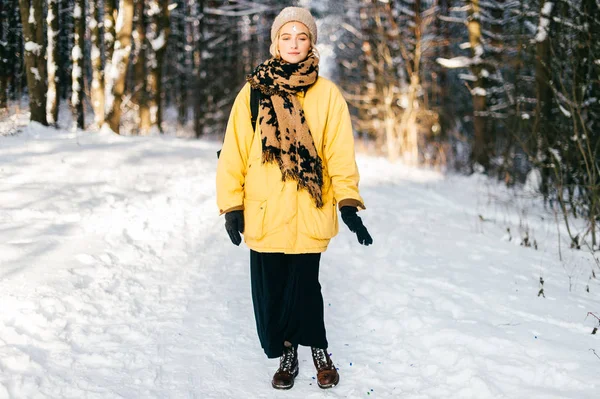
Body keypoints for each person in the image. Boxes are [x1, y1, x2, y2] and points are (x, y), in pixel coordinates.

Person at [216, 6, 373, 390]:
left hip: (309, 206)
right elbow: (234, 150)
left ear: (311, 43)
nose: (293, 44)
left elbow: (339, 152)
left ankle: (318, 349)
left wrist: (348, 202)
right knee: (272, 291)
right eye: (286, 37)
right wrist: (231, 206)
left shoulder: (327, 94)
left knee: (305, 286)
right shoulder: (254, 91)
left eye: (301, 37)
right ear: (275, 43)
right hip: (265, 208)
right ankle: (288, 354)